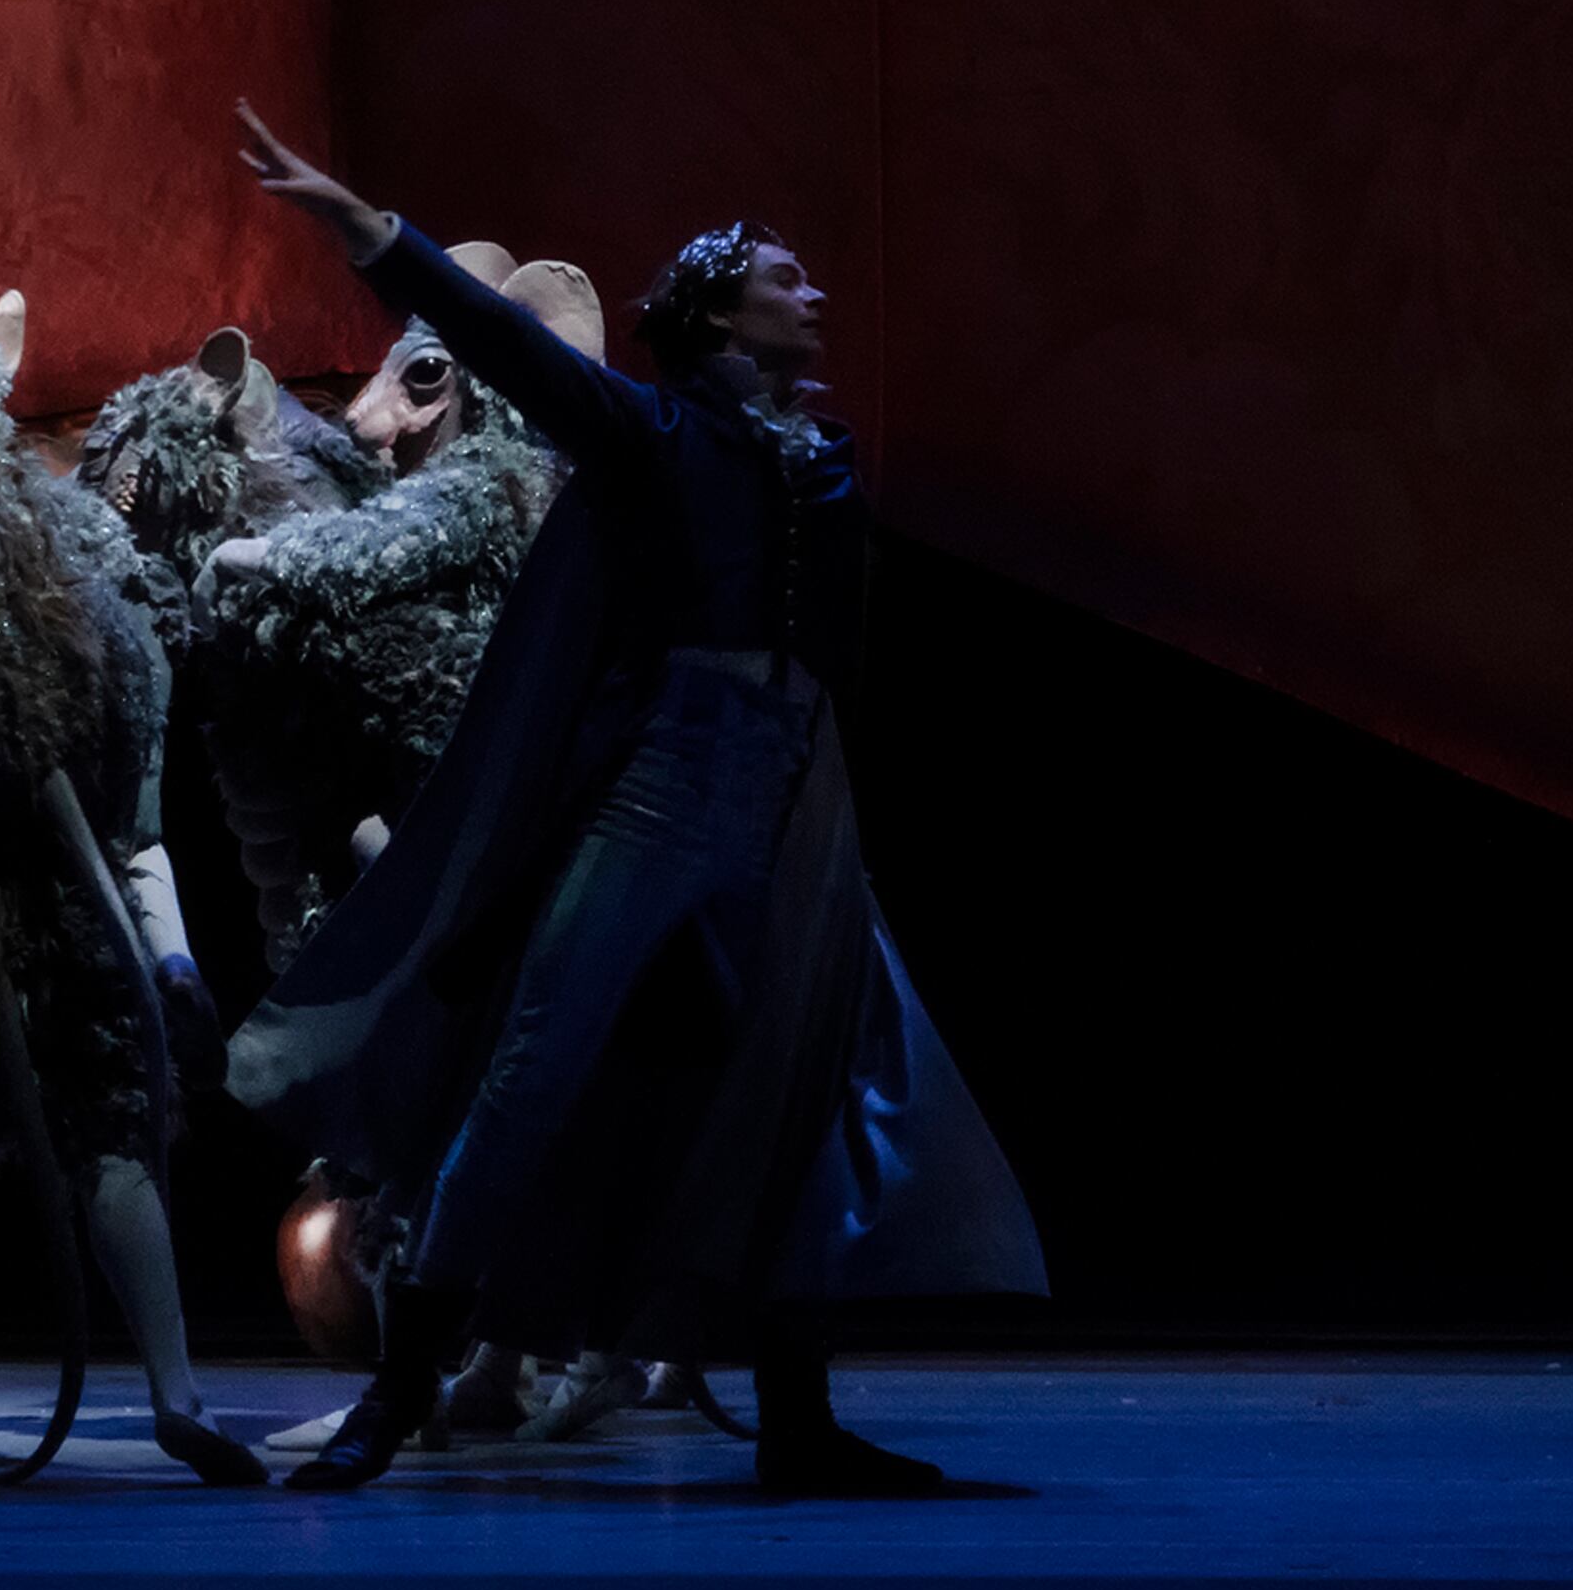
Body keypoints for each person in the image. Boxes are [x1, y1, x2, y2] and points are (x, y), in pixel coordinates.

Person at [224, 106, 1045, 1498]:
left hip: (794, 794)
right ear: (721, 312)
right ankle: (400, 1387)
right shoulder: (657, 435)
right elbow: (509, 346)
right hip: (666, 782)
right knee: (532, 1065)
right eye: (785, 277)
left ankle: (796, 1416)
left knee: (796, 1090)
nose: (814, 292)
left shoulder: (821, 463)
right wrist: (370, 230)